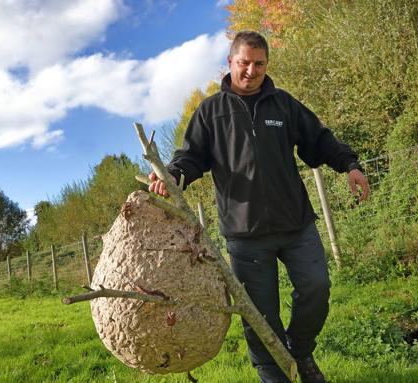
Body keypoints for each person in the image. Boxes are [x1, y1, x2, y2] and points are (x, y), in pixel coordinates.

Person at [148, 31, 369, 383]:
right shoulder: (210, 112)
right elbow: (190, 157)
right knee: (260, 317)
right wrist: (173, 175)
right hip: (245, 233)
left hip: (296, 224)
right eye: (244, 63)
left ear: (267, 64)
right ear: (230, 63)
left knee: (317, 287)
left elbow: (319, 139)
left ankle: (300, 349)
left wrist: (350, 166)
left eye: (259, 64)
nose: (251, 71)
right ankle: (275, 378)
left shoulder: (283, 104)